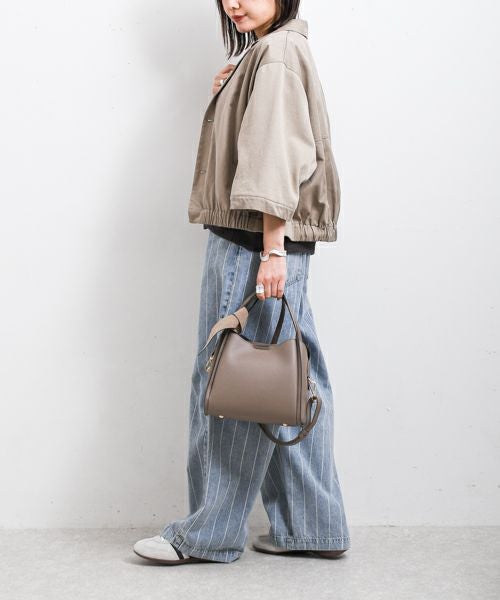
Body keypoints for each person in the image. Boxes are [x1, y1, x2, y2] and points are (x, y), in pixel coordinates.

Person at [133, 0, 351, 565]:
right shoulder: (276, 50)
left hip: (252, 244)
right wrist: (229, 91)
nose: (234, 1)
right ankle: (313, 526)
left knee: (230, 379)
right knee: (288, 381)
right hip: (271, 245)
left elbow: (275, 158)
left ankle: (208, 533)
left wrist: (271, 250)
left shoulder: (276, 54)